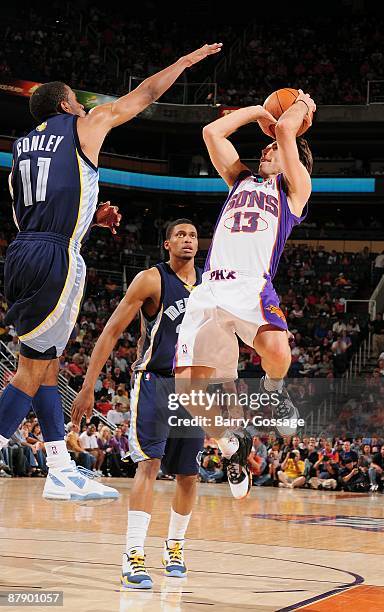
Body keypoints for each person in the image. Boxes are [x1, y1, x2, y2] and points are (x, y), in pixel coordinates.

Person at [0, 41, 222, 503]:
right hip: (53, 255)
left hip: (23, 252)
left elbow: (34, 210)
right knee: (29, 370)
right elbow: (140, 97)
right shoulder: (85, 124)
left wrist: (86, 219)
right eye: (77, 101)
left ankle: (59, 466)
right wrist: (181, 63)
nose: (84, 106)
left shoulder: (21, 147)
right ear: (66, 104)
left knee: (48, 362)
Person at [174, 90, 316, 499]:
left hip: (251, 283)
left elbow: (288, 130)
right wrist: (258, 111)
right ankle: (231, 444)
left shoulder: (294, 192)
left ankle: (274, 395)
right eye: (268, 144)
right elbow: (211, 131)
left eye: (275, 147)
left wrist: (301, 104)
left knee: (278, 350)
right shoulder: (240, 179)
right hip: (210, 290)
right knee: (188, 395)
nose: (269, 146)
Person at [72, 219, 204, 589]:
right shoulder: (151, 279)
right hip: (155, 382)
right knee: (148, 465)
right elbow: (112, 330)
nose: (187, 240)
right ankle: (133, 555)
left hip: (194, 387)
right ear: (166, 243)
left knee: (189, 475)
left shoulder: (211, 283)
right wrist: (88, 384)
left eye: (193, 235)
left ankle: (174, 548)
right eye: (180, 234)